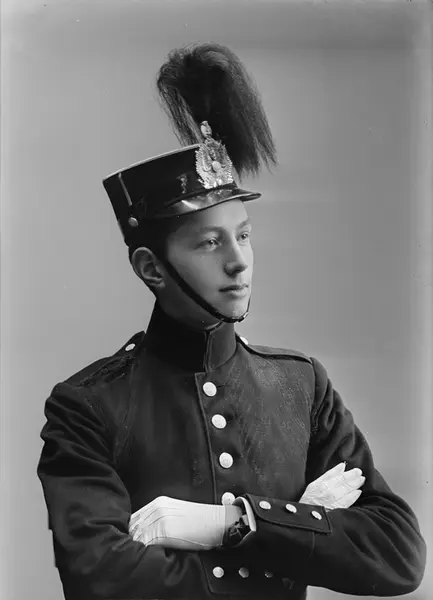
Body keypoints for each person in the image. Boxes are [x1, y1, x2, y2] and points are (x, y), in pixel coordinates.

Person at [37, 43, 426, 600]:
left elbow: (398, 554)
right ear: (151, 268)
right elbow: (101, 580)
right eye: (209, 242)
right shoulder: (89, 405)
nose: (239, 260)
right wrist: (297, 525)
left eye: (243, 234)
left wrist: (228, 523)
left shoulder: (301, 385)